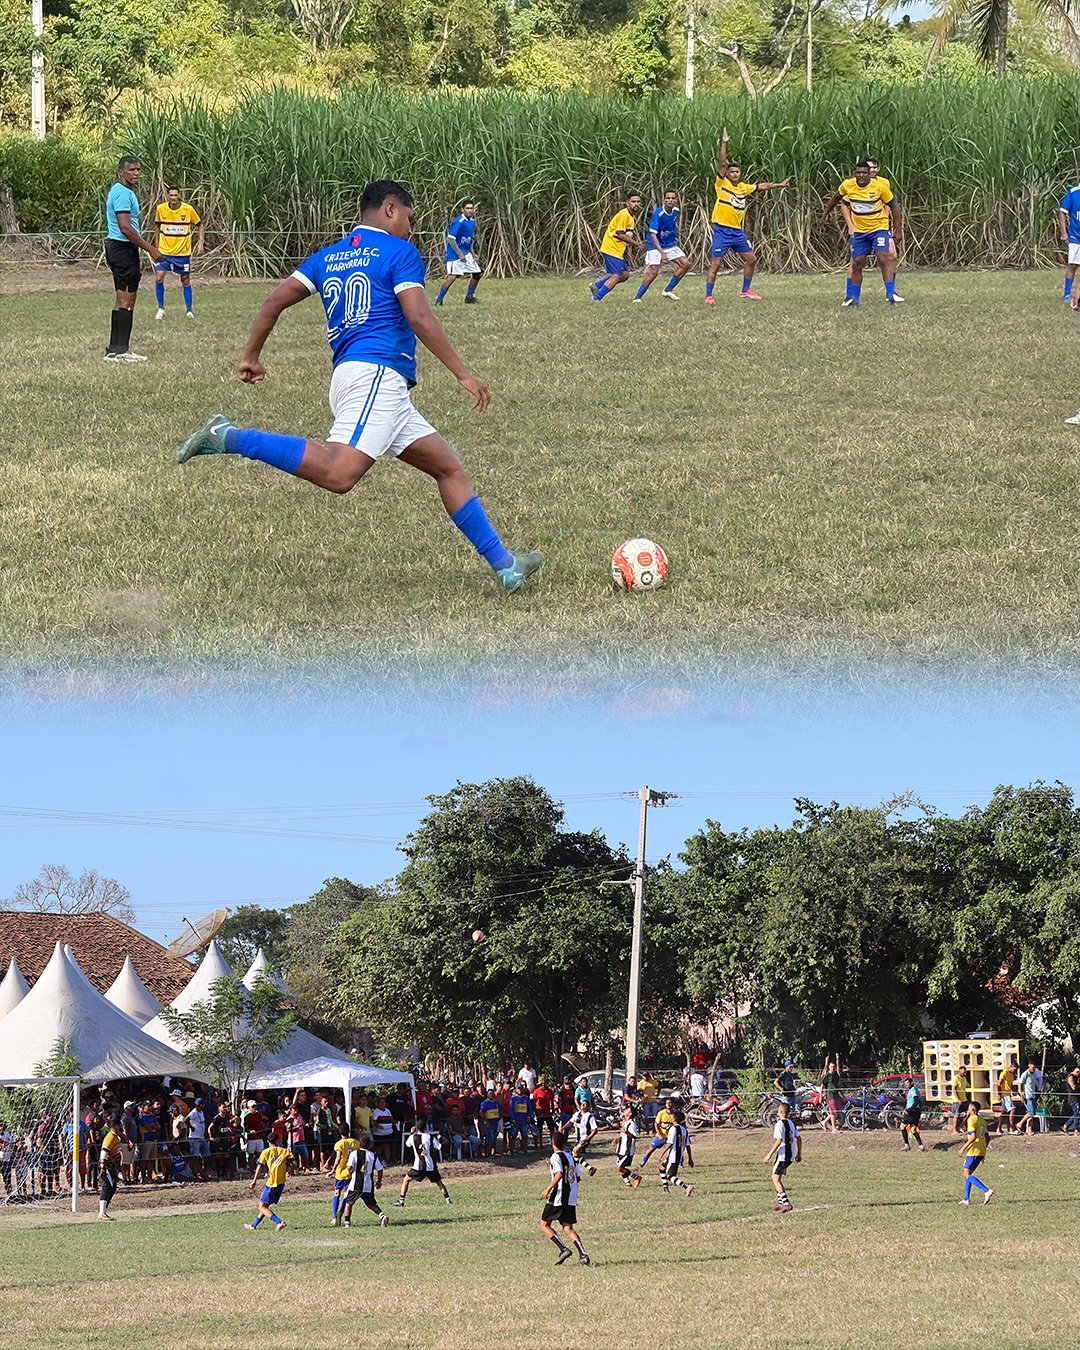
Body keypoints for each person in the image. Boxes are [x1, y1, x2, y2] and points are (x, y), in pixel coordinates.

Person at [175, 180, 542, 595]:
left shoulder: (328, 256)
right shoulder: (399, 252)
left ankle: (505, 565)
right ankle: (230, 436)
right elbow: (420, 317)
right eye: (408, 217)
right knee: (339, 474)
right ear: (389, 210)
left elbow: (272, 300)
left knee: (447, 467)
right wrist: (462, 373)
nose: (409, 226)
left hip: (363, 381)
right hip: (376, 378)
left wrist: (250, 357)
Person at [704, 129, 789, 304]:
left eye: (737, 172)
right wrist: (724, 143)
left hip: (736, 231)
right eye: (732, 171)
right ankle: (708, 295)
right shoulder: (722, 184)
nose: (734, 174)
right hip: (721, 230)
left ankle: (745, 290)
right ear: (727, 173)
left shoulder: (743, 187)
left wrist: (779, 184)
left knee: (751, 259)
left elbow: (762, 186)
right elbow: (721, 163)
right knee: (716, 264)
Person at [103, 155, 162, 362]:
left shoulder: (118, 191)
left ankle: (114, 348)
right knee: (128, 299)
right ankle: (122, 350)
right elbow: (125, 227)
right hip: (123, 248)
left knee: (120, 299)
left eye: (138, 170)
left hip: (117, 248)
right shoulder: (123, 194)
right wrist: (150, 249)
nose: (136, 173)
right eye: (131, 170)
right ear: (121, 172)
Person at [822, 161, 902, 307]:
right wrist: (824, 216)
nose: (861, 175)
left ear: (870, 173)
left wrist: (898, 230)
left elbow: (894, 206)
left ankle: (891, 294)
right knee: (857, 262)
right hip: (860, 231)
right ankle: (853, 298)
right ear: (854, 173)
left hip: (879, 228)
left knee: (884, 257)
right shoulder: (848, 185)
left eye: (864, 172)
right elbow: (836, 199)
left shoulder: (880, 186)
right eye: (858, 172)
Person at [153, 185, 203, 321]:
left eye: (176, 195)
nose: (173, 198)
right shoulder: (161, 209)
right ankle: (161, 308)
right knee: (159, 277)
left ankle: (189, 310)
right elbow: (157, 227)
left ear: (180, 196)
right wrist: (156, 247)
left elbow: (199, 225)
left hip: (182, 252)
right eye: (171, 195)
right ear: (167, 196)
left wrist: (200, 242)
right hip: (164, 251)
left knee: (185, 280)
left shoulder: (188, 209)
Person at [540, 1131, 590, 1266]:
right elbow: (577, 1177)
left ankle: (563, 1249)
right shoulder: (569, 1156)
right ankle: (583, 1255)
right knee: (567, 1227)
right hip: (571, 1196)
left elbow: (559, 1173)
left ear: (552, 1143)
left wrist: (548, 1189)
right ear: (564, 1143)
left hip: (559, 1195)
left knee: (544, 1224)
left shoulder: (555, 1157)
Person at [632, 191, 689, 303]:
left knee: (685, 264)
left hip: (669, 244)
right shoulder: (658, 214)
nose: (670, 200)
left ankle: (668, 290)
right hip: (654, 244)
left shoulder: (676, 211)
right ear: (664, 200)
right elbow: (653, 234)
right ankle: (637, 297)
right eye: (668, 198)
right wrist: (662, 253)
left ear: (676, 200)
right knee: (654, 271)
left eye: (673, 198)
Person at [591, 193, 642, 301]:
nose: (636, 204)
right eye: (633, 202)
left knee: (624, 275)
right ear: (627, 202)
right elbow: (620, 234)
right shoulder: (623, 215)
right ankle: (596, 298)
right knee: (616, 276)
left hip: (617, 250)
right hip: (611, 248)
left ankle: (597, 285)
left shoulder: (630, 217)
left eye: (638, 202)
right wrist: (636, 244)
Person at [392, 1119, 452, 1207]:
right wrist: (439, 1139)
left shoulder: (413, 1137)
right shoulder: (430, 1137)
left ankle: (401, 1201)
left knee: (406, 1180)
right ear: (425, 1127)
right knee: (439, 1183)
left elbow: (407, 1144)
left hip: (418, 1166)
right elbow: (439, 1147)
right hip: (430, 1165)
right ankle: (448, 1200)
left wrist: (411, 1133)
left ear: (417, 1128)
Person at [435, 201, 482, 306]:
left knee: (477, 273)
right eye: (467, 208)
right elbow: (451, 239)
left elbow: (470, 238)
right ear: (462, 210)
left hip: (466, 253)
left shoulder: (472, 222)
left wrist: (472, 252)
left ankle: (469, 297)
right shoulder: (459, 221)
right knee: (452, 277)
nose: (470, 210)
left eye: (471, 208)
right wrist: (459, 254)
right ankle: (439, 300)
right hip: (455, 254)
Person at [340, 1135, 390, 1228]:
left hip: (356, 1184)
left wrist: (349, 1171)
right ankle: (382, 1215)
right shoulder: (373, 1155)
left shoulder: (354, 1154)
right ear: (370, 1145)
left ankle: (347, 1223)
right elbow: (380, 1169)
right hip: (368, 1184)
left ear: (359, 1144)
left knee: (349, 1203)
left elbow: (350, 1167)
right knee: (370, 1203)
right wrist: (379, 1182)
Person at [245, 1139, 294, 1232]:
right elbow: (294, 1163)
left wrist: (254, 1180)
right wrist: (291, 1170)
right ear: (278, 1140)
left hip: (271, 1183)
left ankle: (279, 1222)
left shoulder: (265, 1152)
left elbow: (259, 1166)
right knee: (265, 1206)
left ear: (268, 1141)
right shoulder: (285, 1151)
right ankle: (253, 1225)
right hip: (281, 1183)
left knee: (261, 1207)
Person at [765, 1101, 801, 1213]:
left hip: (782, 1156)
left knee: (775, 1179)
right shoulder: (792, 1123)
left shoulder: (779, 1124)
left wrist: (769, 1155)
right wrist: (799, 1153)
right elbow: (799, 1138)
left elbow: (779, 1140)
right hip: (789, 1156)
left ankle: (786, 1203)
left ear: (780, 1112)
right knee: (777, 1178)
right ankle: (781, 1203)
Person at [327, 1124, 365, 1225]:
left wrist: (333, 1169)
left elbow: (338, 1157)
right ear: (349, 1131)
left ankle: (335, 1217)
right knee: (346, 1195)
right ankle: (340, 1212)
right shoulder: (355, 1142)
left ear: (339, 1132)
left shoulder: (339, 1144)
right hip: (351, 1171)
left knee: (336, 1193)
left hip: (340, 1172)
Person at [959, 1103, 993, 1206]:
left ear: (973, 1109)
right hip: (980, 1150)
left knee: (966, 1174)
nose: (967, 1109)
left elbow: (973, 1136)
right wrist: (983, 1152)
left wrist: (962, 1149)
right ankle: (966, 1199)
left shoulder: (971, 1119)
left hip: (973, 1150)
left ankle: (986, 1191)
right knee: (968, 1174)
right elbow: (987, 1138)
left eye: (969, 1108)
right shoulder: (982, 1120)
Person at [657, 1110, 694, 1196]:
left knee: (669, 1176)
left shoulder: (673, 1129)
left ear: (674, 1119)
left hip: (673, 1156)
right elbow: (688, 1145)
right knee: (662, 1167)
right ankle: (665, 1189)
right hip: (678, 1154)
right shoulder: (684, 1129)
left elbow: (670, 1143)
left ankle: (687, 1186)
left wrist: (662, 1153)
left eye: (672, 1116)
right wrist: (690, 1158)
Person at [639, 1097, 678, 1170]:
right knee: (651, 1149)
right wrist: (659, 1134)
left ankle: (679, 1163)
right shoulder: (661, 1113)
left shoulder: (675, 1113)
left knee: (675, 1150)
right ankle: (644, 1161)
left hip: (670, 1137)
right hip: (661, 1136)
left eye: (670, 1103)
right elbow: (656, 1124)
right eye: (667, 1103)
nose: (668, 1104)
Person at [98, 1113, 123, 1221]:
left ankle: (104, 1210)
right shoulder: (110, 1137)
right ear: (117, 1126)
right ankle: (101, 1212)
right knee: (107, 1187)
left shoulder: (116, 1137)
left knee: (112, 1188)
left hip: (113, 1167)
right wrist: (103, 1167)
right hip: (107, 1167)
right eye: (120, 1125)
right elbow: (104, 1151)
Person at [1060, 179, 1080, 302]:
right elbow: (1062, 212)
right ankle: (1067, 293)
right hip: (1075, 236)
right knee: (1072, 265)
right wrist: (1063, 232)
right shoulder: (1073, 193)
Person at [567, 1102, 599, 1177]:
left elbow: (595, 1130)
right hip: (578, 1139)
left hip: (585, 1139)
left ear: (588, 1107)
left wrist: (587, 1139)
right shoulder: (577, 1114)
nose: (582, 1105)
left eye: (585, 1104)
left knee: (575, 1152)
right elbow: (570, 1122)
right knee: (575, 1155)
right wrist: (563, 1128)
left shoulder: (590, 1116)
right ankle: (590, 1168)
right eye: (582, 1104)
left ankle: (575, 1172)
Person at [615, 1103, 642, 1187]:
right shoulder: (624, 1123)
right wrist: (616, 1139)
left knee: (620, 1167)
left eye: (627, 1110)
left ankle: (636, 1177)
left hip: (627, 1149)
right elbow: (623, 1135)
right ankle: (628, 1183)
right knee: (620, 1167)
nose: (625, 1110)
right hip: (621, 1148)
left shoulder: (631, 1124)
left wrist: (626, 1132)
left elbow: (634, 1136)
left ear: (630, 1114)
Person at [1017, 1061, 1043, 1135]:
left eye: (1035, 1067)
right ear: (1029, 1066)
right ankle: (1020, 1123)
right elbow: (1020, 1084)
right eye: (1033, 1067)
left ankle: (1029, 1130)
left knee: (1032, 1114)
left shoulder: (1034, 1074)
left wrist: (1039, 1095)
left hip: (1033, 1095)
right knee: (1031, 1112)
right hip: (1027, 1096)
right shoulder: (1025, 1074)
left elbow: (1035, 1085)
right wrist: (1021, 1095)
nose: (1034, 1069)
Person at [900, 1078, 925, 1152]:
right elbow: (919, 1101)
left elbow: (916, 1100)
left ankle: (906, 1146)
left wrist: (909, 1109)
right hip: (916, 1111)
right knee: (913, 1129)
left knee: (902, 1126)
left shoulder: (913, 1090)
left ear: (911, 1082)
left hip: (912, 1112)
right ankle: (921, 1146)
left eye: (907, 1083)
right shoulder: (914, 1090)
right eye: (905, 1083)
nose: (906, 1085)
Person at [820, 1062, 842, 1133]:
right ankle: (834, 1129)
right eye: (831, 1067)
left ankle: (824, 1122)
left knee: (837, 1112)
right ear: (829, 1067)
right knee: (832, 1112)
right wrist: (821, 1096)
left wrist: (843, 1095)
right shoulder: (827, 1076)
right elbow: (822, 1087)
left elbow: (838, 1085)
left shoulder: (836, 1075)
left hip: (836, 1095)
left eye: (834, 1067)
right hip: (830, 1096)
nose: (833, 1068)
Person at [997, 1060, 1017, 1134]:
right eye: (1014, 1069)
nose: (1015, 1071)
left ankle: (999, 1129)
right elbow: (999, 1083)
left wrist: (1015, 1091)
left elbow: (1010, 1085)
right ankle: (1011, 1128)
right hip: (1004, 1094)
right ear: (1011, 1067)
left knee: (1004, 1112)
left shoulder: (1012, 1075)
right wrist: (999, 1094)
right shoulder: (1004, 1073)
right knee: (1012, 1110)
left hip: (1008, 1094)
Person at [951, 1065, 971, 1135]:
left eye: (965, 1072)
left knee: (968, 1113)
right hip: (957, 1100)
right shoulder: (955, 1078)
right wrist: (958, 1099)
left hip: (964, 1099)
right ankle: (954, 1130)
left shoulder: (964, 1078)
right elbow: (954, 1090)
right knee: (957, 1115)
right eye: (964, 1072)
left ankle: (961, 1127)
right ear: (960, 1071)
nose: (965, 1074)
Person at [1064, 1065, 1080, 1135]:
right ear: (1077, 1071)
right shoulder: (1071, 1077)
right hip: (1073, 1098)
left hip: (1077, 1098)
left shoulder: (1076, 1077)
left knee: (1077, 1114)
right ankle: (1076, 1130)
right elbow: (1073, 1087)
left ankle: (1066, 1125)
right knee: (1077, 1114)